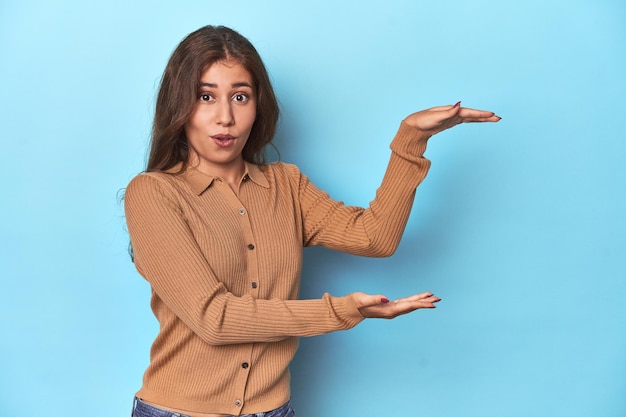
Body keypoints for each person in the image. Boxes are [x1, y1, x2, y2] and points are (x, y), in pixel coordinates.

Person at [124, 25, 500, 417]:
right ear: (180, 105)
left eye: (240, 96)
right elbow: (214, 319)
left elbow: (375, 238)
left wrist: (409, 141)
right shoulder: (154, 193)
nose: (225, 117)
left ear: (258, 105)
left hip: (274, 409)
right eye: (206, 97)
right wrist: (342, 311)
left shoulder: (286, 185)